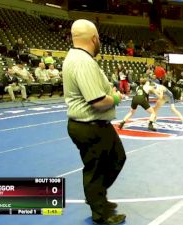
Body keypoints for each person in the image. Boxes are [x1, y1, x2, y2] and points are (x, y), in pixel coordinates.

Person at [62, 19, 126, 225]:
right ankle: (100, 212)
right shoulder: (83, 61)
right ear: (94, 39)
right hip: (89, 126)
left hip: (94, 125)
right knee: (96, 170)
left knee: (117, 158)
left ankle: (97, 197)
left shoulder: (77, 57)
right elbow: (98, 102)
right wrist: (116, 98)